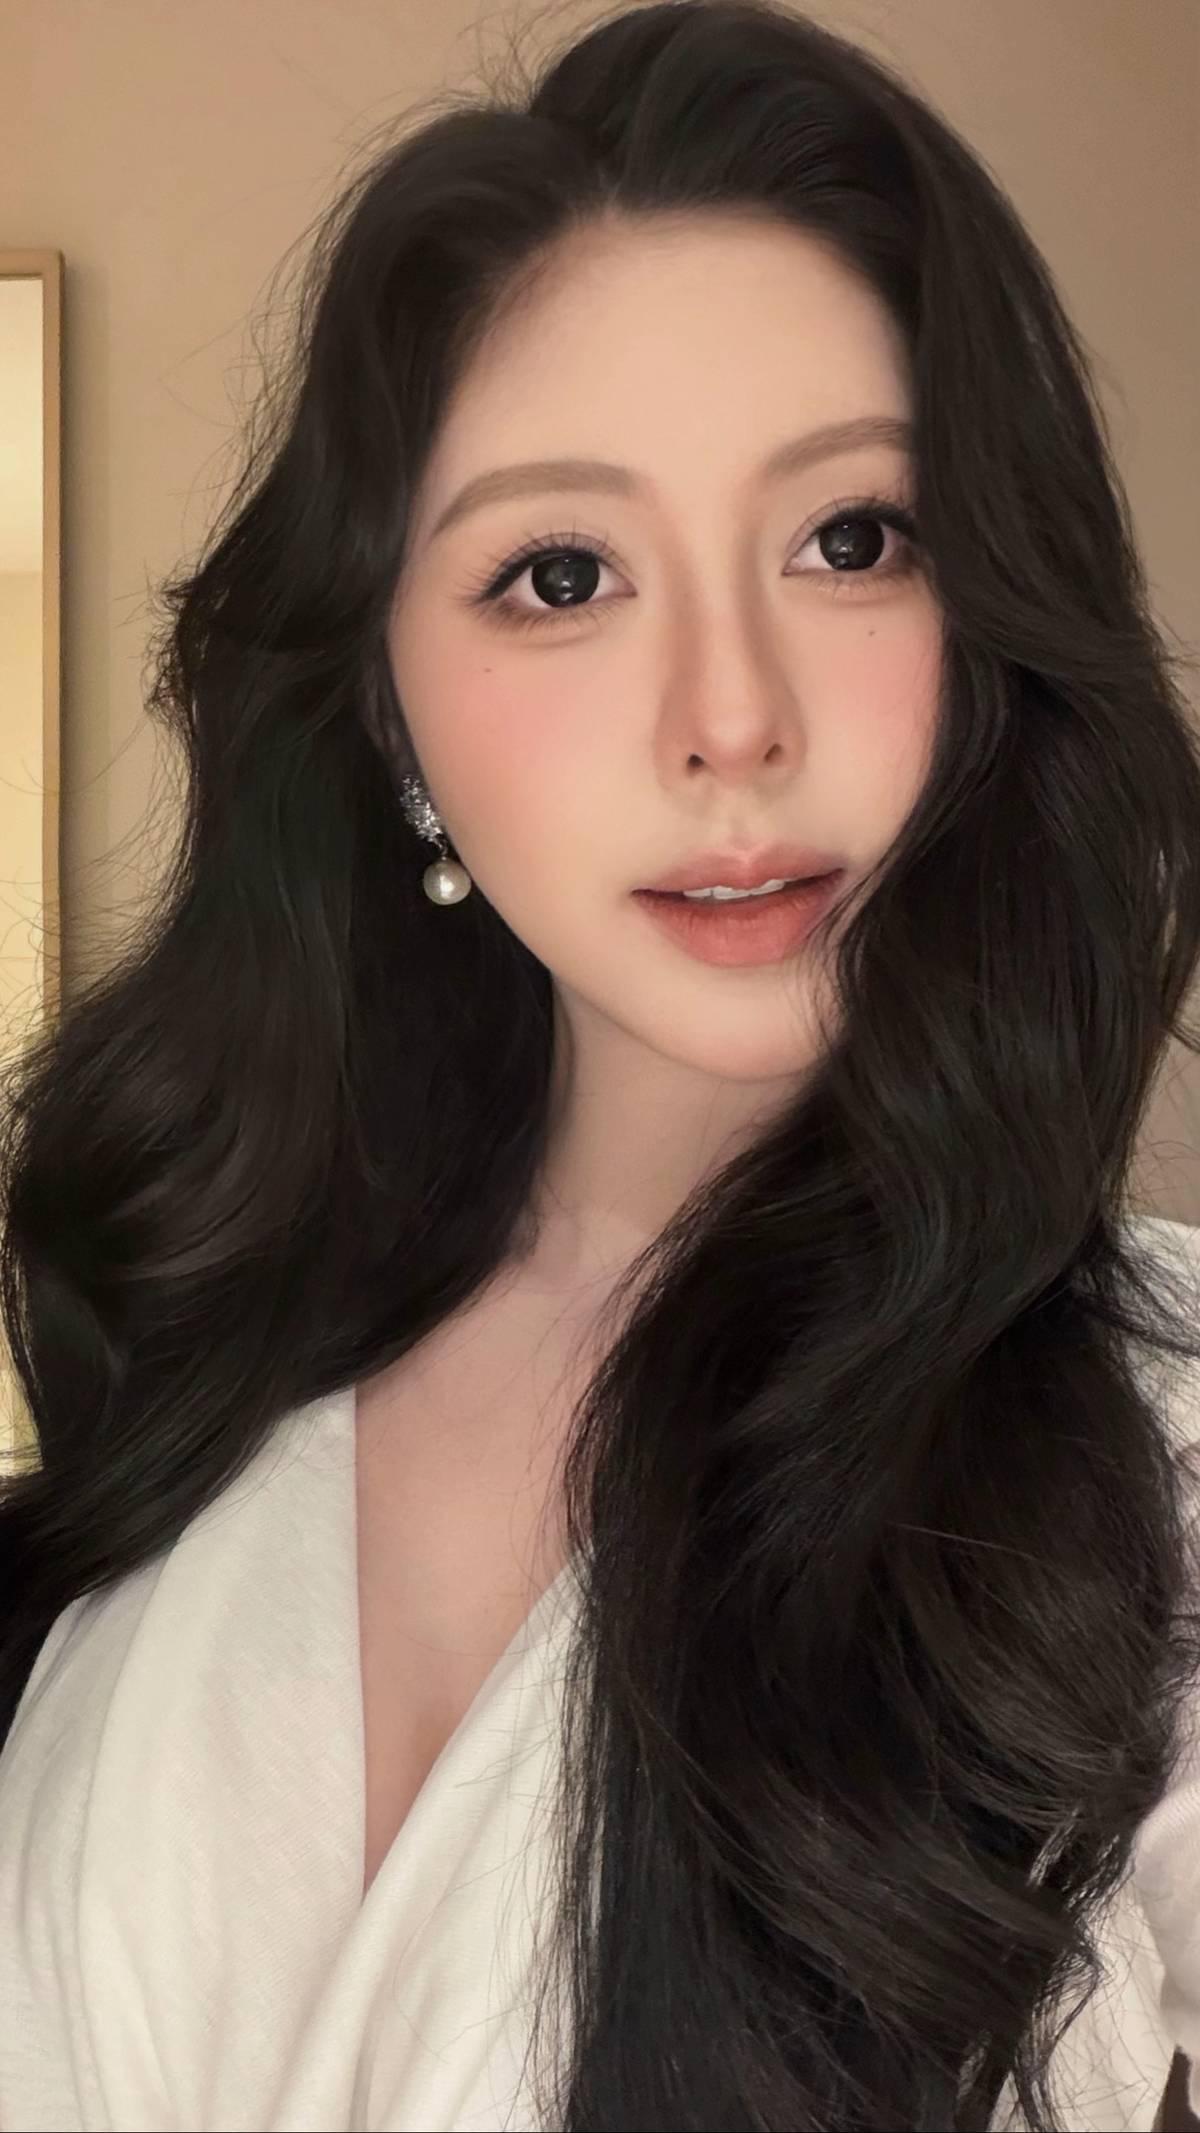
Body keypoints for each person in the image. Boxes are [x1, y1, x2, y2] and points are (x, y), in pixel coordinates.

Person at [2, 0, 1200, 2125]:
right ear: (390, 712)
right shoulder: (206, 1363)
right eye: (561, 574)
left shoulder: (1152, 1450)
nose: (730, 718)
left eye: (852, 538)